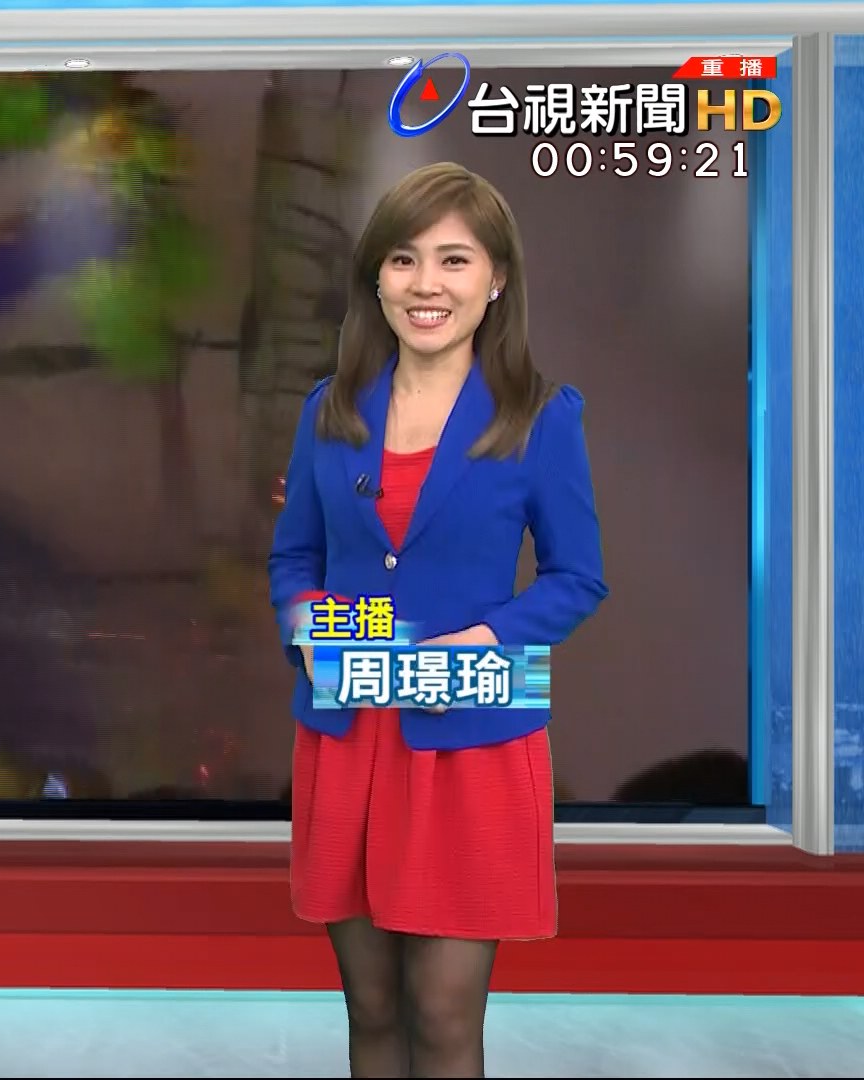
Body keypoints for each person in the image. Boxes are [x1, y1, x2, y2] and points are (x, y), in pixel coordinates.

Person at [267, 161, 609, 1078]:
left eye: (455, 260)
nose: (427, 284)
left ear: (496, 279)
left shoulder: (540, 417)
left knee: (445, 1016)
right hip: (350, 737)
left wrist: (489, 639)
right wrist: (307, 626)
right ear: (376, 279)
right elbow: (294, 561)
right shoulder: (330, 411)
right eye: (404, 259)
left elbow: (578, 577)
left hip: (469, 748)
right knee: (372, 1009)